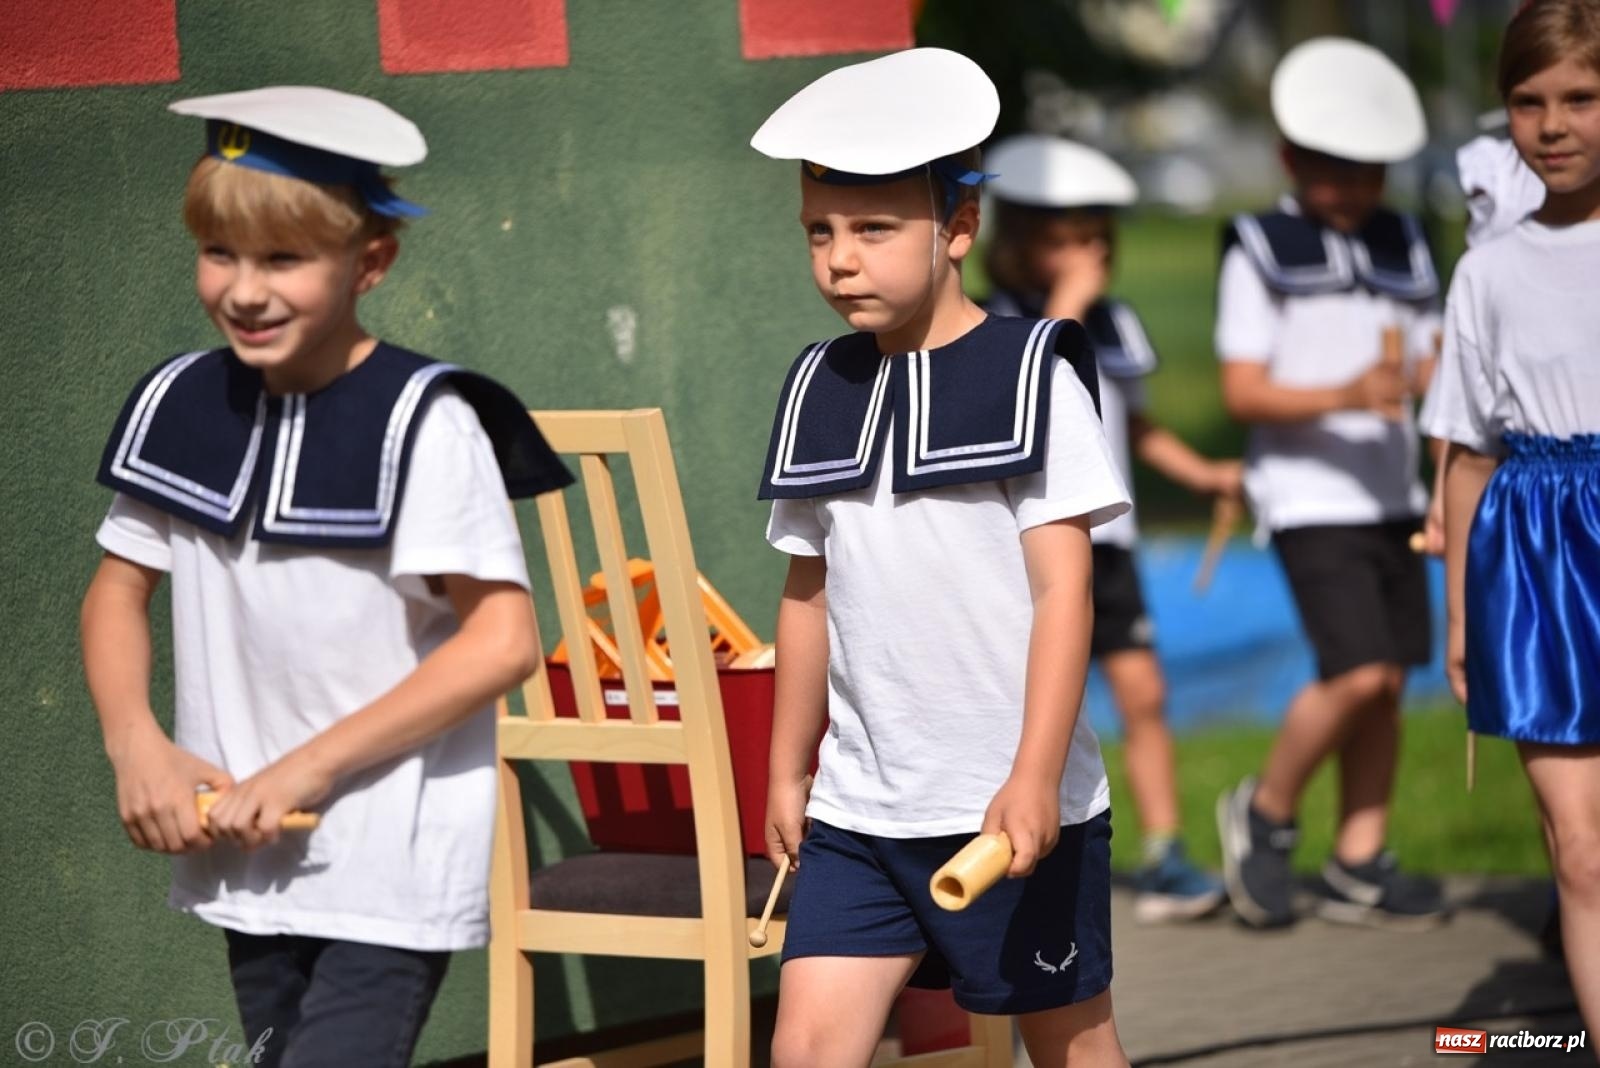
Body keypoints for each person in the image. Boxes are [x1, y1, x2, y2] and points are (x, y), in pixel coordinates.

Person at [79, 86, 571, 1068]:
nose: (243, 290)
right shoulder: (179, 400)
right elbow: (117, 590)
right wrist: (138, 745)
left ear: (370, 262)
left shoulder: (428, 423)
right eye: (219, 252)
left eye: (283, 259)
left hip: (385, 860)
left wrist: (309, 765)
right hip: (243, 857)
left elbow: (503, 640)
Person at [753, 48, 1133, 1068]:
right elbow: (807, 591)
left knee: (1072, 1053)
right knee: (804, 1051)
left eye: (873, 230)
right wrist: (788, 765)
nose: (839, 259)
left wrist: (1032, 778)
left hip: (1009, 812)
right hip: (855, 813)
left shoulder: (1032, 373)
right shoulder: (814, 385)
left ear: (958, 227)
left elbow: (1064, 594)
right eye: (819, 233)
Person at [1211, 38, 1448, 930]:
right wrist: (1345, 393)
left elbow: (1434, 356)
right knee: (1354, 672)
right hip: (1309, 495)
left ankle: (1359, 857)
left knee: (1390, 680)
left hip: (1394, 493)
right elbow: (1242, 388)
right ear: (1288, 159)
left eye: (1366, 170)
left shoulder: (1408, 244)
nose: (1349, 186)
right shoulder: (1259, 248)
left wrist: (1432, 377)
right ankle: (1266, 813)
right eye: (1328, 168)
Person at [982, 134, 1234, 924]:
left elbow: (1131, 421)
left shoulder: (1112, 321)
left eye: (1095, 240)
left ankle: (1164, 851)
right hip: (1031, 554)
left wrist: (1201, 471)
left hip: (1110, 548)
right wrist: (1070, 306)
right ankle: (1012, 845)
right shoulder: (1001, 322)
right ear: (1017, 245)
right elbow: (1023, 401)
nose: (1084, 255)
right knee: (1030, 706)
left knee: (1145, 693)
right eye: (1061, 241)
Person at [1424, 0, 1600, 1033]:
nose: (1553, 123)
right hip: (1536, 551)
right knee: (1577, 846)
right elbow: (1466, 455)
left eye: (1580, 97)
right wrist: (1458, 617)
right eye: (1527, 102)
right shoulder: (1486, 270)